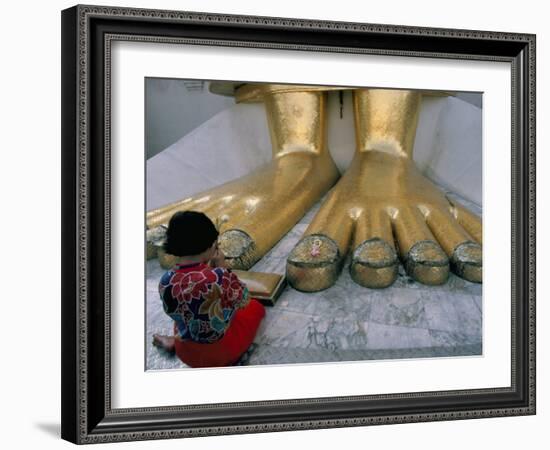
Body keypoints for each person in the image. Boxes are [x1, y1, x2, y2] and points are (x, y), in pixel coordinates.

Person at [152, 211, 265, 367]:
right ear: (211, 244)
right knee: (255, 307)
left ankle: (175, 342)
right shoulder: (218, 275)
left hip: (187, 354)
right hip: (222, 354)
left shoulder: (165, 280)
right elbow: (243, 299)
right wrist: (223, 267)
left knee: (188, 308)